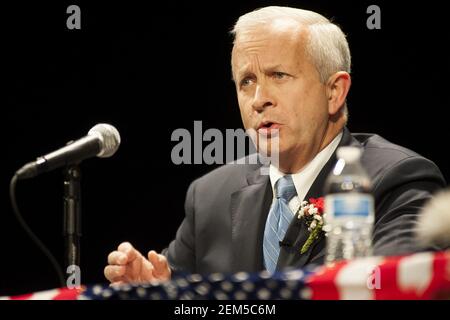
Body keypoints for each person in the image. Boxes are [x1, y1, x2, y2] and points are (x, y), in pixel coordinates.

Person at [104, 6, 446, 285]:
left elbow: (387, 291)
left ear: (334, 92)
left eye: (278, 76)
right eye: (246, 81)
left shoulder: (397, 181)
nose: (258, 99)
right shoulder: (210, 197)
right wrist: (159, 292)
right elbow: (187, 298)